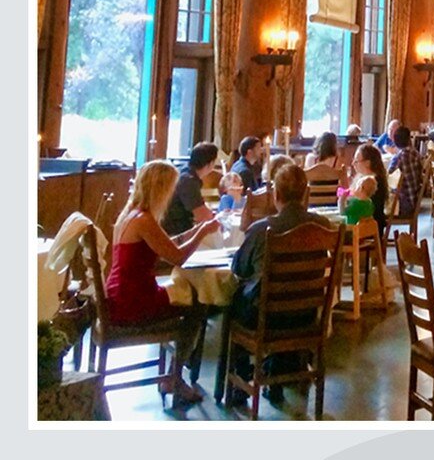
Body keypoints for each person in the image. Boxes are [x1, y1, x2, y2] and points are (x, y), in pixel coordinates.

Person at [107, 160, 222, 404]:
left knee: (188, 297)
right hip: (134, 300)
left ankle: (174, 373)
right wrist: (202, 232)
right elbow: (177, 257)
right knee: (197, 305)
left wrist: (197, 229)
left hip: (119, 293)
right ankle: (175, 377)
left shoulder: (131, 215)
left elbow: (166, 244)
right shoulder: (144, 220)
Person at [227, 163, 336, 406]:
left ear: (276, 195)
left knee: (237, 300)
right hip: (307, 314)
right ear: (306, 193)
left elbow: (239, 269)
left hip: (265, 318)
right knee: (287, 298)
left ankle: (241, 380)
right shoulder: (323, 227)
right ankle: (275, 377)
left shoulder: (261, 229)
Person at [162, 141, 219, 236]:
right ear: (210, 164)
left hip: (170, 226)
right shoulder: (188, 181)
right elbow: (202, 216)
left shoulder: (183, 171)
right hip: (174, 232)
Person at [349, 143, 390, 238]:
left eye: (356, 161)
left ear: (367, 163)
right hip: (370, 227)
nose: (353, 164)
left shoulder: (371, 183)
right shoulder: (369, 178)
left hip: (369, 230)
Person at [387, 125, 424, 218]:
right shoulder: (416, 153)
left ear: (394, 142)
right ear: (409, 139)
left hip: (403, 204)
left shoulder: (398, 158)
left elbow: (388, 181)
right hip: (414, 199)